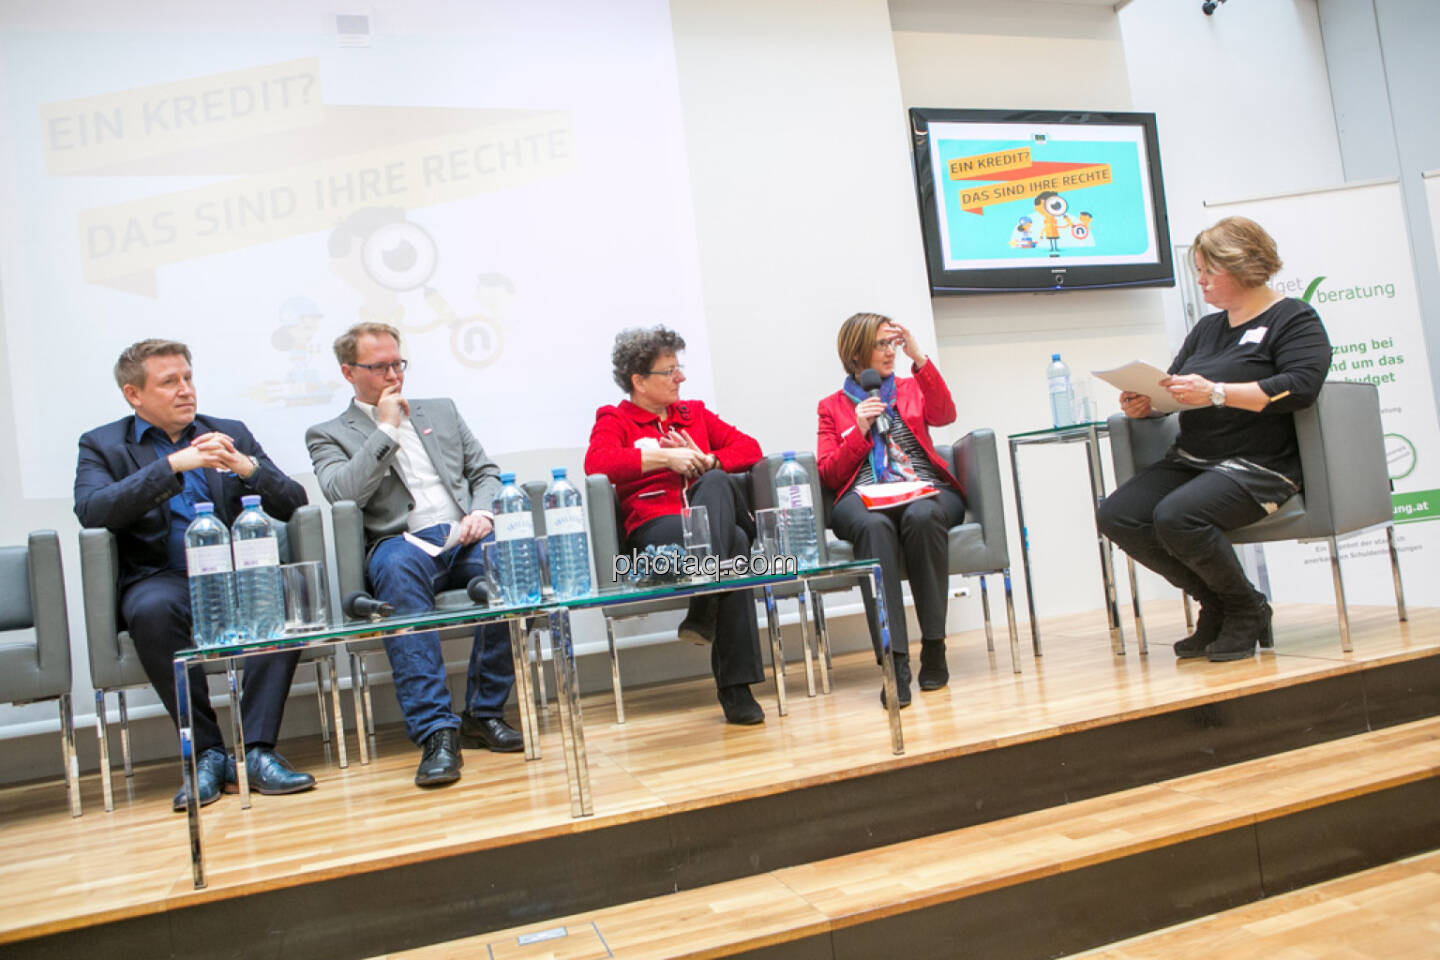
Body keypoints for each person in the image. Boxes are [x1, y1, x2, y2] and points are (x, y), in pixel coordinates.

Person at [74, 339, 315, 810]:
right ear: (134, 395)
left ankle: (256, 751)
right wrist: (171, 467)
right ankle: (207, 754)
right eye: (169, 382)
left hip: (236, 572)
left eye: (188, 377)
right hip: (162, 576)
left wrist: (246, 468)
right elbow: (92, 509)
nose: (185, 390)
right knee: (150, 609)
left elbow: (294, 502)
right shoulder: (102, 444)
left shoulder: (228, 432)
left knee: (283, 595)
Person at [1096, 217, 1332, 662]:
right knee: (1118, 515)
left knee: (1177, 516)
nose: (1200, 281)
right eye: (1198, 271)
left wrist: (1218, 393)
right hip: (1195, 457)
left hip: (1260, 464)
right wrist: (1152, 403)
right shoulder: (1207, 329)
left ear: (1243, 266)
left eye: (1208, 271)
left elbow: (1301, 386)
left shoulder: (1294, 318)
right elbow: (1179, 388)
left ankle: (1245, 609)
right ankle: (1219, 602)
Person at [306, 322, 519, 788]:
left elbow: (483, 471)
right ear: (348, 372)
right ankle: (436, 733)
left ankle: (483, 713)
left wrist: (482, 511)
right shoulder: (327, 433)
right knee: (399, 575)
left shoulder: (440, 410)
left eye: (397, 363)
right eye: (378, 367)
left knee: (508, 560)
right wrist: (385, 427)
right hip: (400, 545)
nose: (392, 375)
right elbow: (345, 493)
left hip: (464, 535)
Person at [584, 326, 767, 725]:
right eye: (669, 371)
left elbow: (750, 448)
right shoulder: (616, 419)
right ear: (639, 381)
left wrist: (709, 459)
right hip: (657, 533)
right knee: (735, 544)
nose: (680, 377)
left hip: (706, 525)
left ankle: (704, 604)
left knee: (718, 486)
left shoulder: (694, 414)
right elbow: (598, 465)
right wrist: (665, 460)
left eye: (678, 369)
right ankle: (736, 689)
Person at [816, 313, 967, 707]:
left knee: (923, 515)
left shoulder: (910, 387)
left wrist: (918, 357)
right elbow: (830, 474)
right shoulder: (832, 407)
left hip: (922, 489)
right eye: (882, 344)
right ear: (856, 353)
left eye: (893, 343)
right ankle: (893, 663)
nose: (890, 352)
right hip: (863, 497)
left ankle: (934, 647)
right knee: (874, 528)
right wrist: (858, 431)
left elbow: (945, 415)